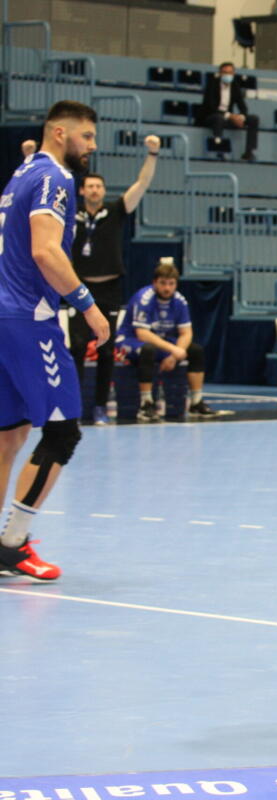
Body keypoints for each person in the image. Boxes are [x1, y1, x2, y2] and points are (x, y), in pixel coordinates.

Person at [0, 101, 103, 581]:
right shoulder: (55, 179)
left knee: (10, 434)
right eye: (87, 137)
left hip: (4, 314)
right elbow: (44, 250)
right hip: (30, 319)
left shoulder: (23, 172)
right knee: (62, 431)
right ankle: (13, 543)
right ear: (60, 133)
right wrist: (87, 305)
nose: (92, 146)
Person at [69, 135, 160, 425]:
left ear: (104, 191)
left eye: (99, 186)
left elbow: (141, 185)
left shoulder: (116, 211)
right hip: (79, 288)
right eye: (90, 186)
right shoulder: (73, 214)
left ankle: (98, 407)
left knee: (107, 348)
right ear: (82, 190)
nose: (95, 190)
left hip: (109, 288)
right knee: (78, 347)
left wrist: (152, 155)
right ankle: (72, 408)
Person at [113, 260, 218, 422]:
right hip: (130, 340)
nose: (167, 288)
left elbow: (186, 333)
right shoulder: (144, 298)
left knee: (196, 350)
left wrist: (174, 356)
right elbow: (142, 334)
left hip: (160, 341)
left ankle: (196, 401)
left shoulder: (179, 301)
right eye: (163, 283)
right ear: (155, 282)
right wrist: (173, 349)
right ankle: (146, 404)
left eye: (171, 284)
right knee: (148, 350)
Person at [198, 62, 259, 162]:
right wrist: (230, 116)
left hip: (228, 117)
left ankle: (249, 152)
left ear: (233, 74)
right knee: (218, 118)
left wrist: (241, 117)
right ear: (220, 73)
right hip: (211, 117)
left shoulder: (235, 86)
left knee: (253, 119)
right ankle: (219, 151)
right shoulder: (212, 84)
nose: (227, 75)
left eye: (230, 73)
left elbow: (243, 107)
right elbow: (211, 107)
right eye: (225, 72)